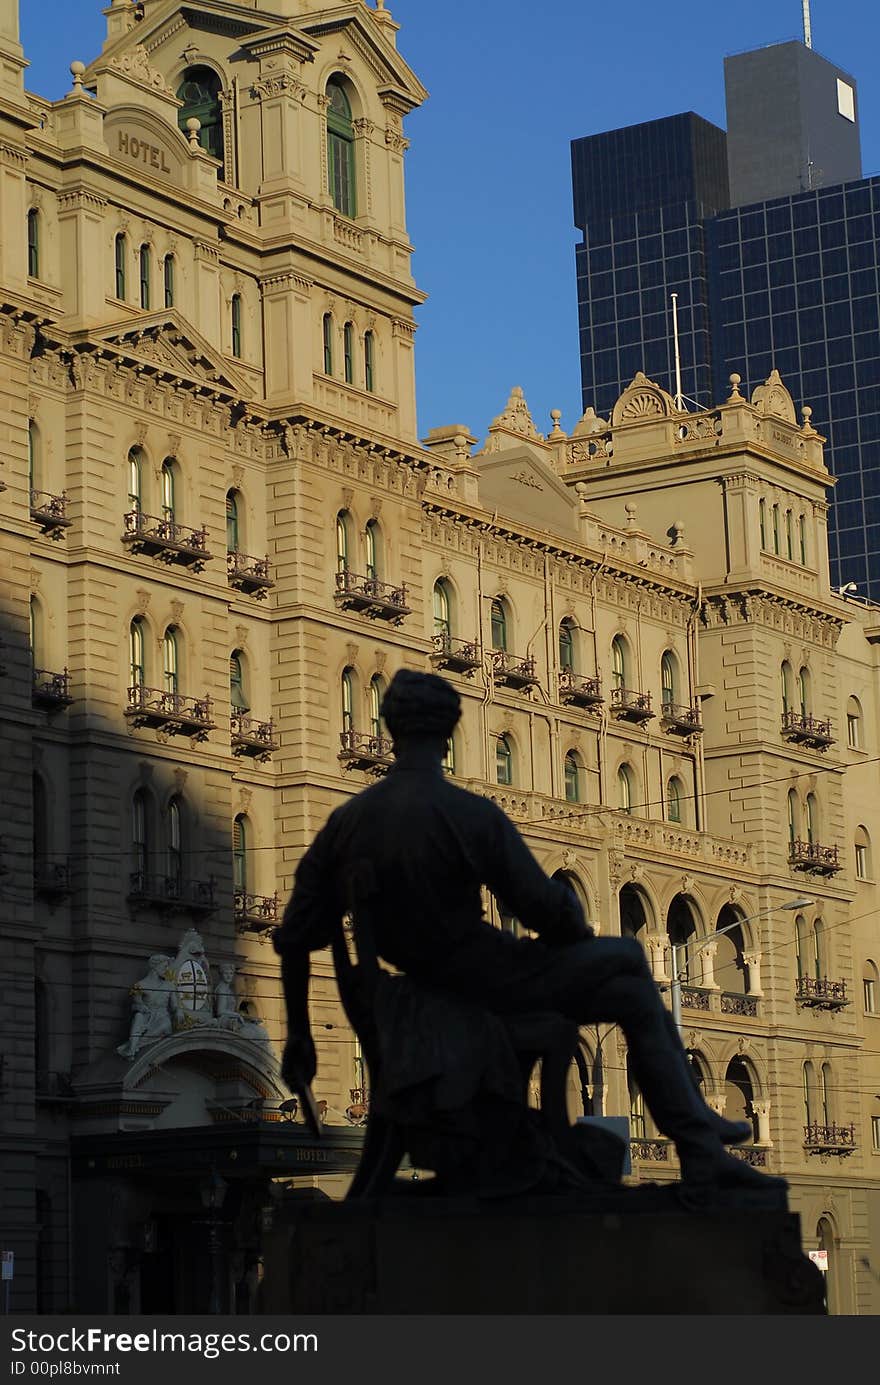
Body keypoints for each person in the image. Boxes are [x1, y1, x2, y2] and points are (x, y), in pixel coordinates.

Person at [274, 668, 783, 1191]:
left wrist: (300, 1036)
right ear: (448, 734)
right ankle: (699, 1144)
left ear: (391, 730)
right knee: (630, 973)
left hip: (410, 987)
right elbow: (543, 906)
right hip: (487, 980)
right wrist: (572, 922)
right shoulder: (465, 813)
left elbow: (294, 936)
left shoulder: (348, 821)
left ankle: (698, 1136)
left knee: (627, 973)